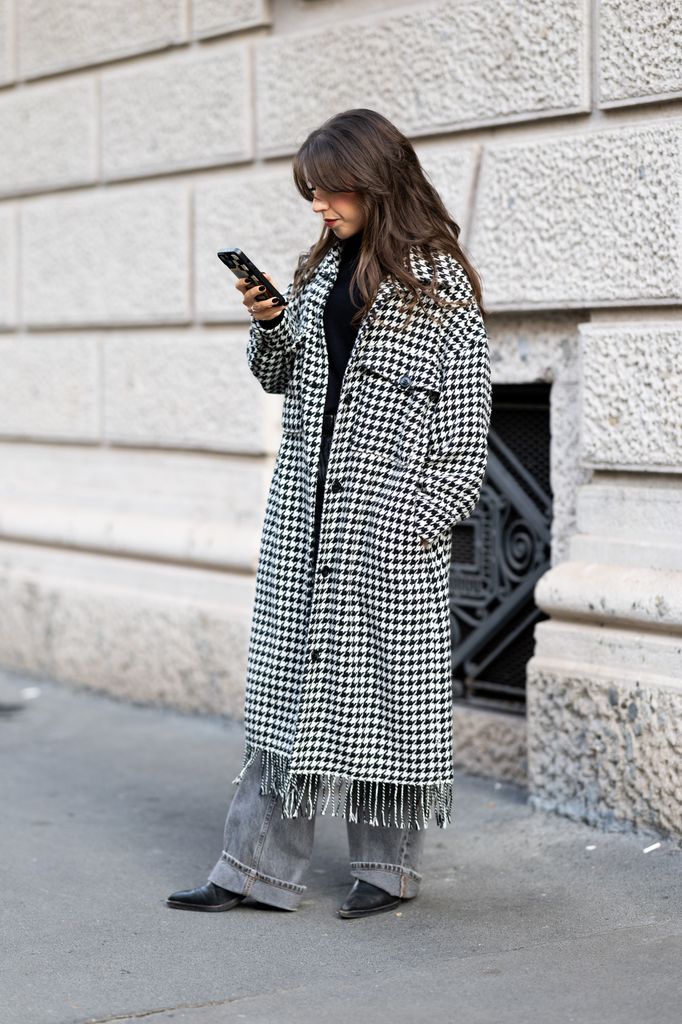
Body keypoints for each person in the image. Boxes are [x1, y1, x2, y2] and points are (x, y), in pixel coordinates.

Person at [167, 108, 492, 919]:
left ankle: (388, 872)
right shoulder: (317, 273)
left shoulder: (441, 288)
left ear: (375, 181)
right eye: (311, 192)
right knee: (288, 694)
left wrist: (416, 521)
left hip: (386, 530)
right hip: (305, 521)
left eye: (329, 190)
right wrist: (271, 323)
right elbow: (280, 378)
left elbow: (465, 428)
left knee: (389, 699)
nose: (317, 205)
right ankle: (251, 871)